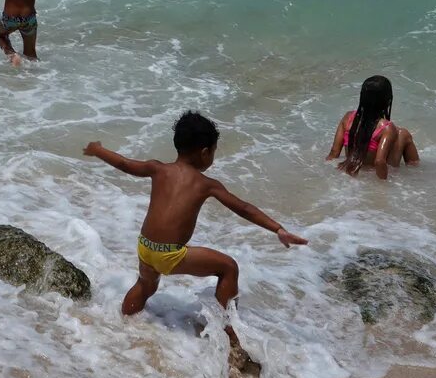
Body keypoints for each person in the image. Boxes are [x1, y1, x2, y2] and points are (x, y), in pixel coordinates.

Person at [85, 111, 306, 320]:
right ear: (204, 153)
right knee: (229, 268)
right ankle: (227, 329)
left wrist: (98, 150)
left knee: (145, 286)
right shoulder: (206, 185)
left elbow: (124, 164)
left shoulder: (157, 168)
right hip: (169, 255)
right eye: (214, 151)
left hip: (145, 246)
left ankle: (123, 322)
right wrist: (278, 229)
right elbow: (244, 208)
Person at [328, 74, 419, 179]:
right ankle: (416, 175)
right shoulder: (386, 127)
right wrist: (383, 187)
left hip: (352, 171)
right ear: (388, 100)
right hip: (374, 175)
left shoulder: (347, 118)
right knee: (403, 134)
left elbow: (334, 153)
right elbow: (379, 161)